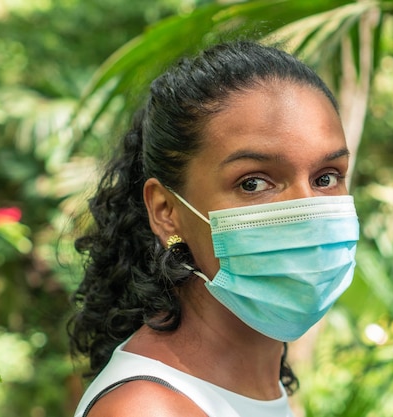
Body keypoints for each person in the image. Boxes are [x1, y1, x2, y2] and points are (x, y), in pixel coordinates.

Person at [69, 40, 359, 417]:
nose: (307, 209)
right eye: (253, 183)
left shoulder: (259, 387)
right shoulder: (147, 410)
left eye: (326, 177)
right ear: (166, 210)